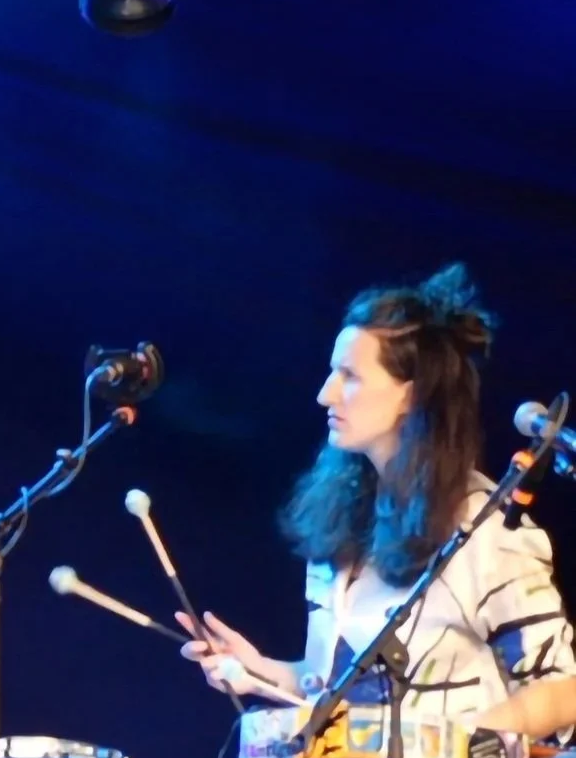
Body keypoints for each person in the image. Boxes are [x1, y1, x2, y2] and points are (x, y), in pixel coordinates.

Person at [178, 264, 575, 723]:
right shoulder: (342, 523)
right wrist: (258, 671)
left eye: (349, 376)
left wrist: (461, 746)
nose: (326, 394)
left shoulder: (485, 528)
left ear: (412, 394)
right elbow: (338, 689)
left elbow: (560, 690)